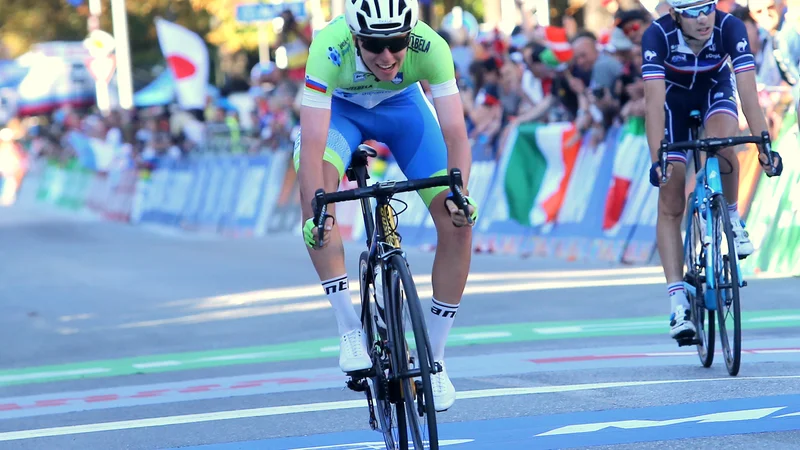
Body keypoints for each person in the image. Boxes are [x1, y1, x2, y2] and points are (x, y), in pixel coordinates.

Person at [293, 0, 478, 412]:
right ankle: (348, 329)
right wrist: (316, 213)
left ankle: (435, 359)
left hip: (403, 112)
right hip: (340, 114)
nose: (388, 56)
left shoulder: (431, 46)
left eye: (397, 43)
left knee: (458, 221)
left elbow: (455, 135)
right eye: (375, 46)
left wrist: (460, 196)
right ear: (355, 37)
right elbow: (312, 147)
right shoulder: (329, 48)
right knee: (318, 200)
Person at [641, 0, 783, 340]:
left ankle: (731, 218)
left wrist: (764, 145)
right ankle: (678, 302)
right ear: (674, 14)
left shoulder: (729, 26)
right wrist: (657, 158)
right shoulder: (657, 35)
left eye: (706, 8)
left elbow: (747, 90)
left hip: (714, 90)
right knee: (671, 197)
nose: (702, 18)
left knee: (723, 142)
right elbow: (652, 104)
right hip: (672, 103)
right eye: (690, 12)